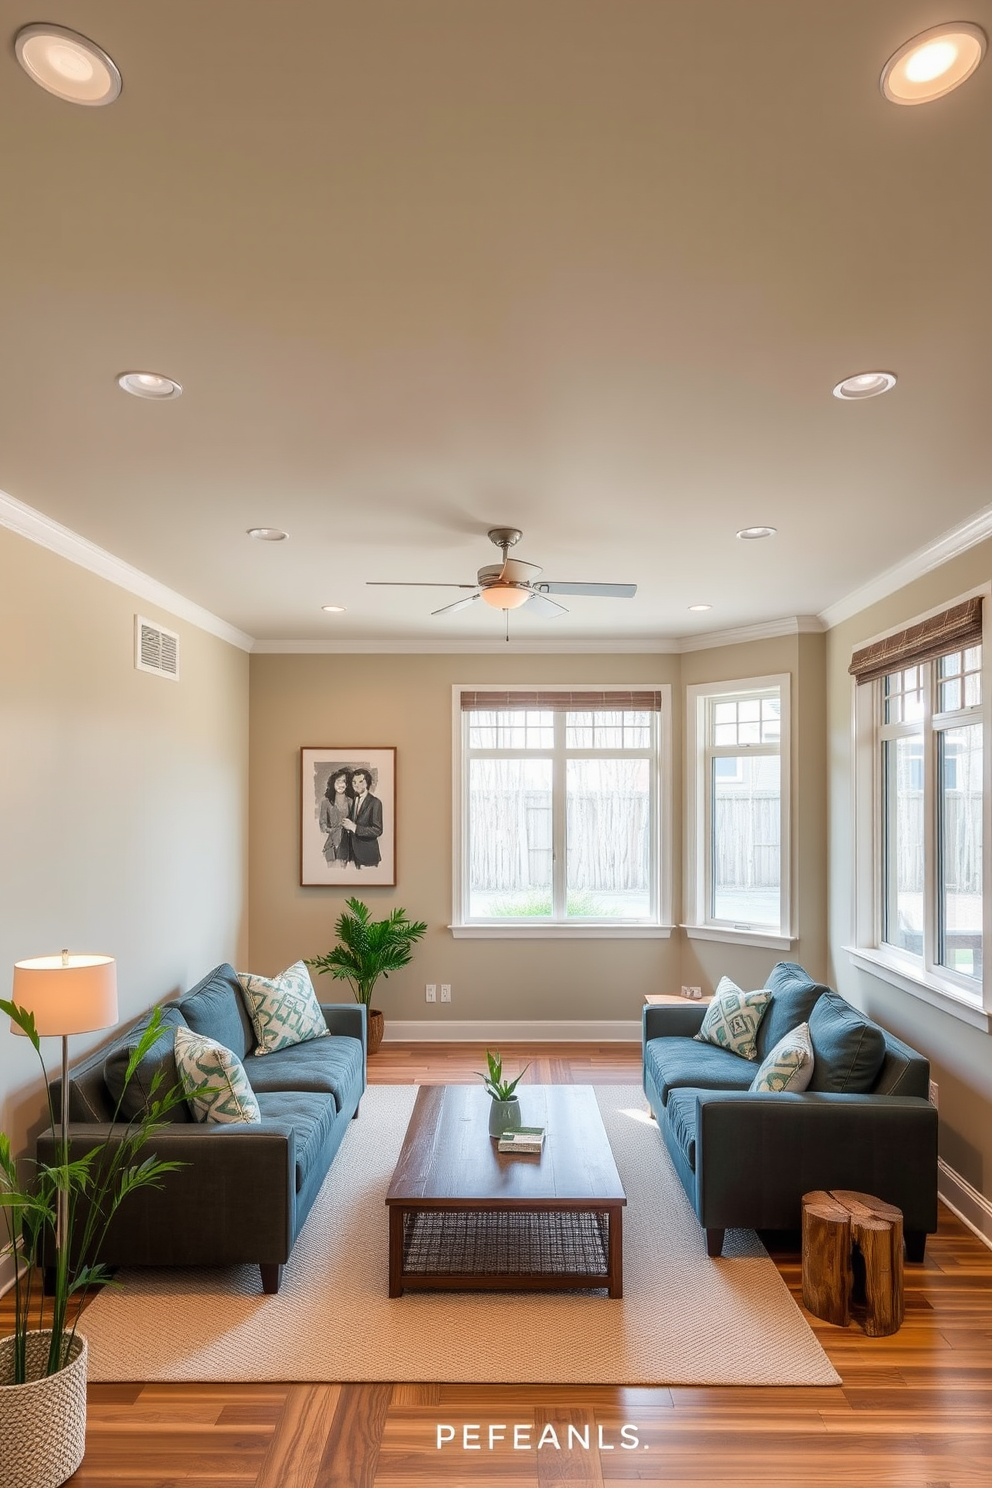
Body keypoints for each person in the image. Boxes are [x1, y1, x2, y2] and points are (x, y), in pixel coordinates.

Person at [340, 767, 382, 869]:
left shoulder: (375, 802)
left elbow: (377, 830)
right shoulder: (354, 800)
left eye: (360, 781)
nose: (356, 785)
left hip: (367, 856)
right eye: (354, 782)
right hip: (352, 855)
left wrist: (354, 828)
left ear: (367, 783)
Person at [319, 769, 353, 866]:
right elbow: (322, 823)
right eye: (338, 781)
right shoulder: (325, 802)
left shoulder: (351, 801)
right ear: (333, 783)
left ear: (347, 785)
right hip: (332, 842)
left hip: (347, 842)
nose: (340, 784)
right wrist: (329, 829)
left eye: (344, 781)